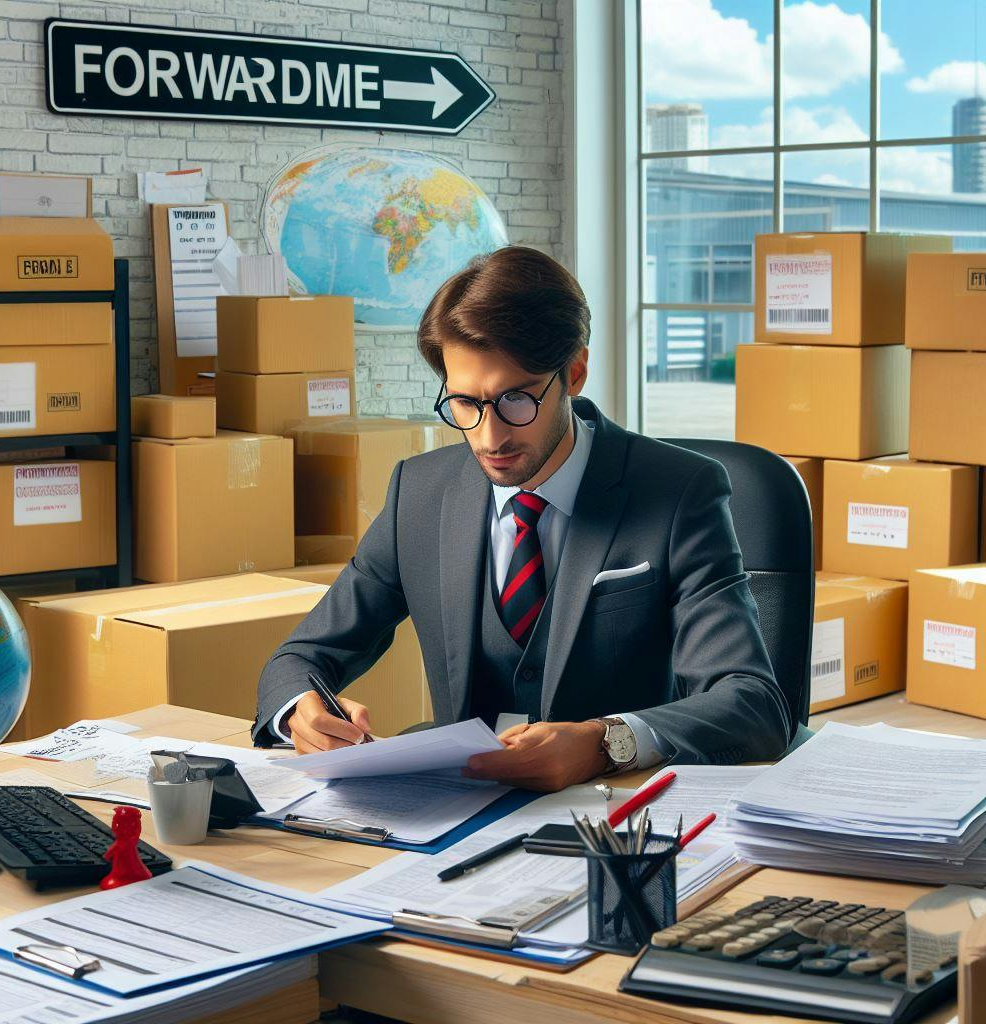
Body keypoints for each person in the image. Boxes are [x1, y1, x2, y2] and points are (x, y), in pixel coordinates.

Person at [252, 246, 793, 790]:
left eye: (516, 400)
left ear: (574, 373)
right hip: (456, 809)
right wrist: (302, 708)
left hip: (613, 815)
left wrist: (604, 742)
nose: (489, 438)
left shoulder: (680, 492)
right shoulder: (418, 492)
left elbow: (752, 701)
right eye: (465, 403)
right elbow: (302, 656)